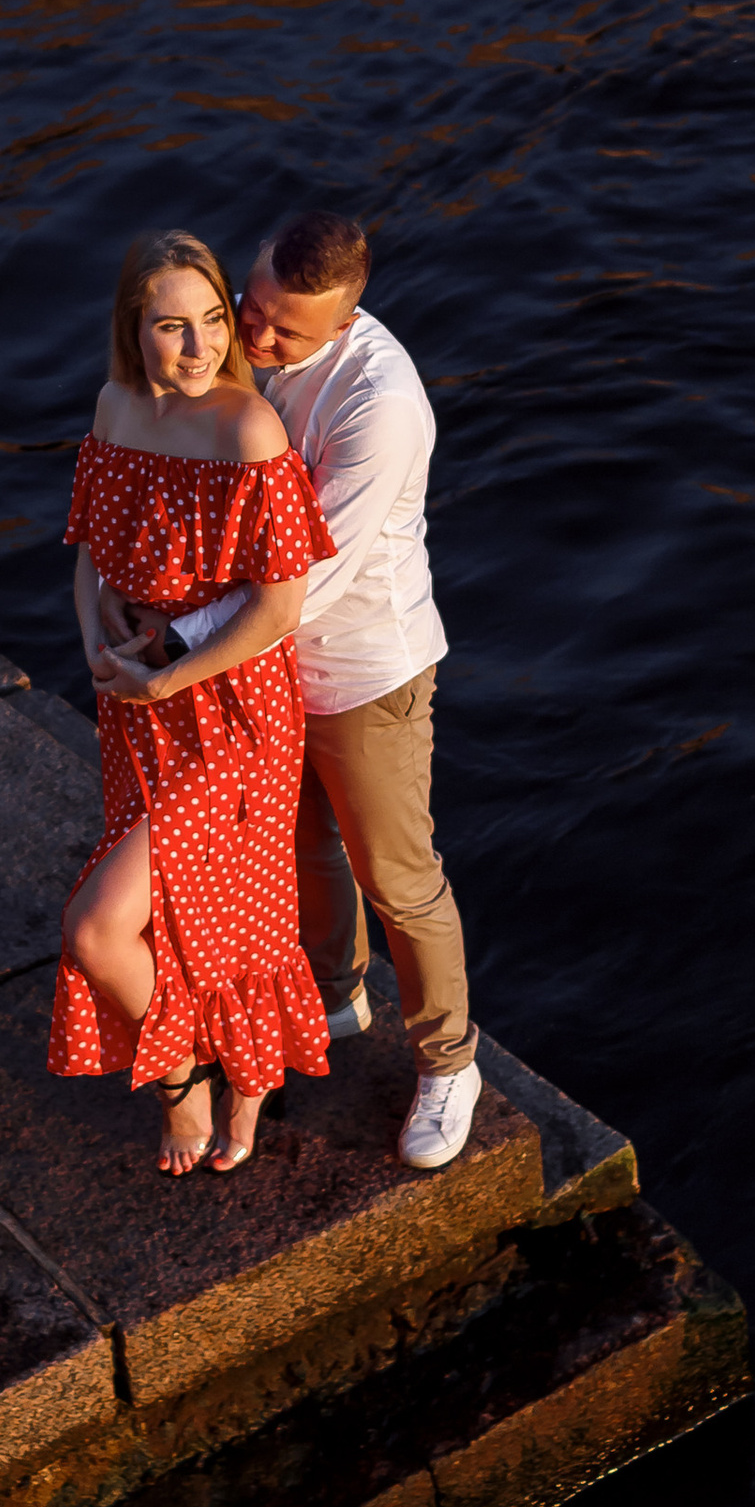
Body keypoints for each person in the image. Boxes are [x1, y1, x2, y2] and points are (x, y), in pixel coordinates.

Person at [51, 226, 338, 1177]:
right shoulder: (114, 409)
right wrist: (95, 639)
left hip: (230, 714)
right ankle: (246, 1077)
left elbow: (279, 605)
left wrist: (167, 675)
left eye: (214, 321)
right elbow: (91, 548)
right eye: (173, 327)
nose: (202, 346)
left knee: (102, 926)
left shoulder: (247, 429)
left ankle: (184, 1086)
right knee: (195, 914)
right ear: (133, 329)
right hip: (135, 701)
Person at [239, 210, 480, 1170]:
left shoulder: (379, 404)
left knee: (398, 874)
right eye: (253, 310)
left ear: (343, 326)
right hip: (266, 659)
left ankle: (450, 1059)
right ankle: (336, 993)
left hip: (365, 668)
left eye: (284, 333)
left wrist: (180, 647)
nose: (256, 340)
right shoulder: (247, 332)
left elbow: (313, 577)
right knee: (303, 839)